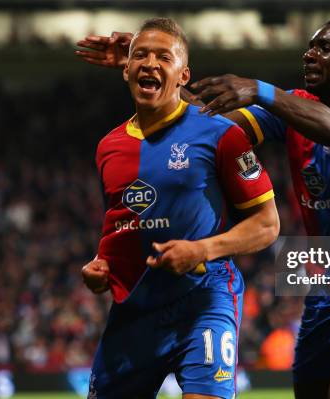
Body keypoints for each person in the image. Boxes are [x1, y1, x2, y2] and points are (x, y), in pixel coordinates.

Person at [76, 19, 330, 399]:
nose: (310, 54)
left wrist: (259, 90)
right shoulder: (296, 109)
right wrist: (155, 69)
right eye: (310, 46)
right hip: (326, 286)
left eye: (324, 48)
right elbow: (207, 122)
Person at [79, 17, 279, 399]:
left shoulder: (221, 134)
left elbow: (267, 225)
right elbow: (122, 225)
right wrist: (100, 266)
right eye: (140, 55)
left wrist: (201, 250)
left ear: (183, 74)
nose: (150, 63)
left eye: (163, 56)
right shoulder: (108, 147)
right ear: (126, 70)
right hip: (136, 308)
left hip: (205, 296)